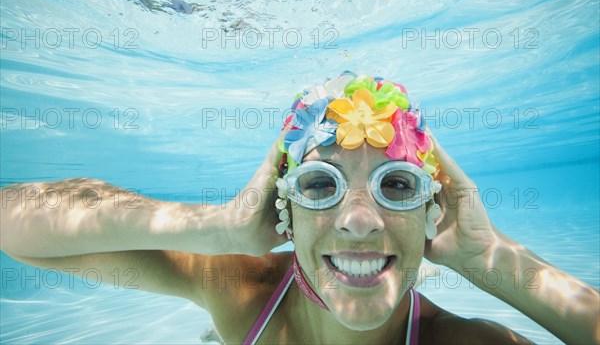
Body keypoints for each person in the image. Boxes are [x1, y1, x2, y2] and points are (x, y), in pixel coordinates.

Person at [1, 72, 598, 344]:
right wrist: (221, 228)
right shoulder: (243, 291)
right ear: (282, 212)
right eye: (319, 185)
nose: (359, 221)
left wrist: (489, 261)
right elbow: (14, 220)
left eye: (396, 187)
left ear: (430, 212)